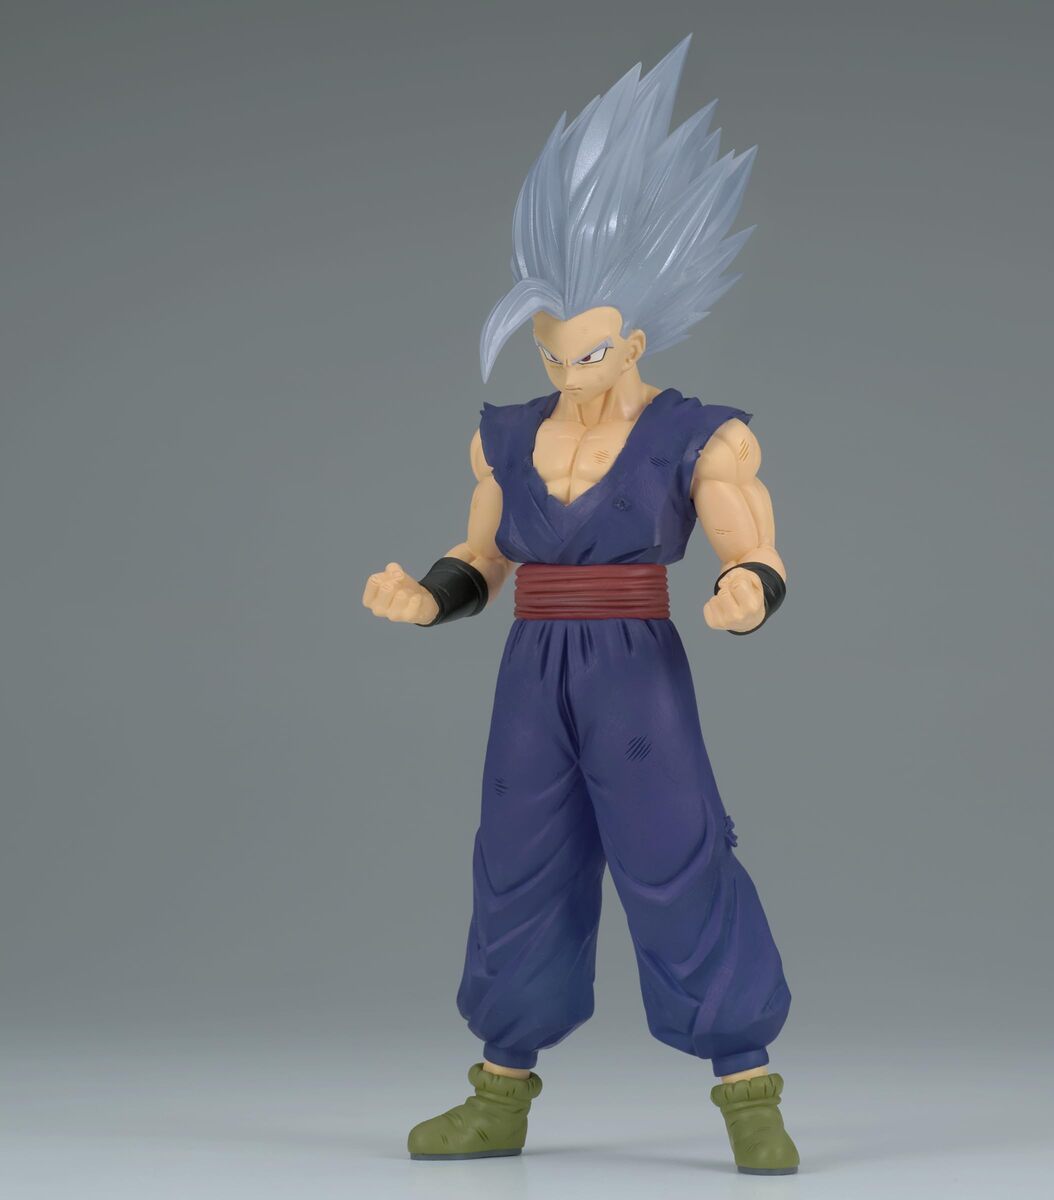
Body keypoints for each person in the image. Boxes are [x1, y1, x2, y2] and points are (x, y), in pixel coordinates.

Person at [361, 36, 798, 1176]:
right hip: (532, 667)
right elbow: (482, 552)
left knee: (677, 855)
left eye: (589, 353)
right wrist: (428, 598)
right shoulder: (509, 435)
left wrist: (746, 592)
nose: (565, 372)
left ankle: (748, 1089)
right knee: (518, 864)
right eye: (551, 352)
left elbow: (754, 542)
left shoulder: (699, 433)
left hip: (635, 668)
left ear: (634, 341)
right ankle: (499, 1095)